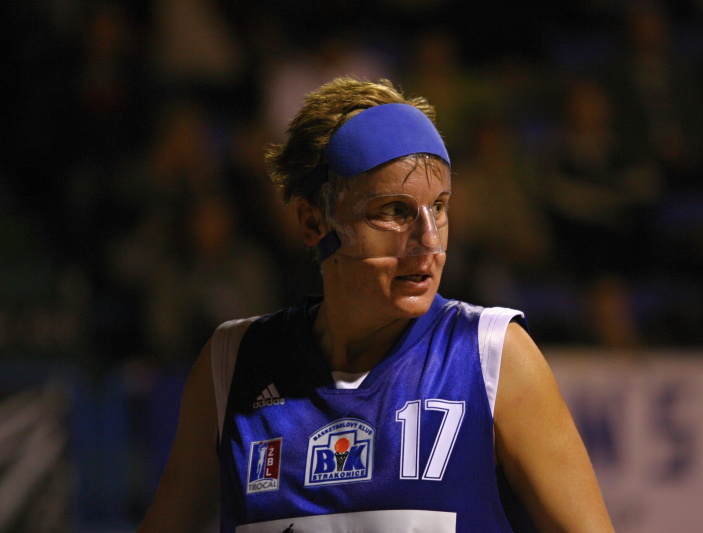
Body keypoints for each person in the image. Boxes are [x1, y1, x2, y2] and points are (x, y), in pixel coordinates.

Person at [137, 77, 614, 533]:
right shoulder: (232, 364)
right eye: (393, 211)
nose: (429, 241)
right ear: (314, 222)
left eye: (440, 207)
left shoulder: (495, 356)